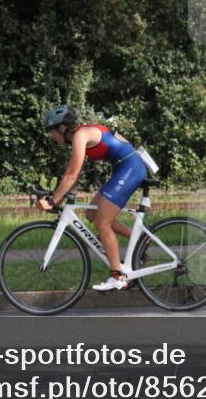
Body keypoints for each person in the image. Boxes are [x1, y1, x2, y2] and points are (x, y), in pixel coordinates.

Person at [39, 104, 148, 291]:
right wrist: (60, 197)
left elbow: (71, 174)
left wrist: (52, 200)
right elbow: (75, 174)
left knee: (102, 223)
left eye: (52, 133)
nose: (52, 137)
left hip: (130, 168)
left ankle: (118, 277)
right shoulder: (81, 134)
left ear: (62, 128)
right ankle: (139, 239)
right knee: (92, 216)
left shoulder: (80, 136)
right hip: (125, 168)